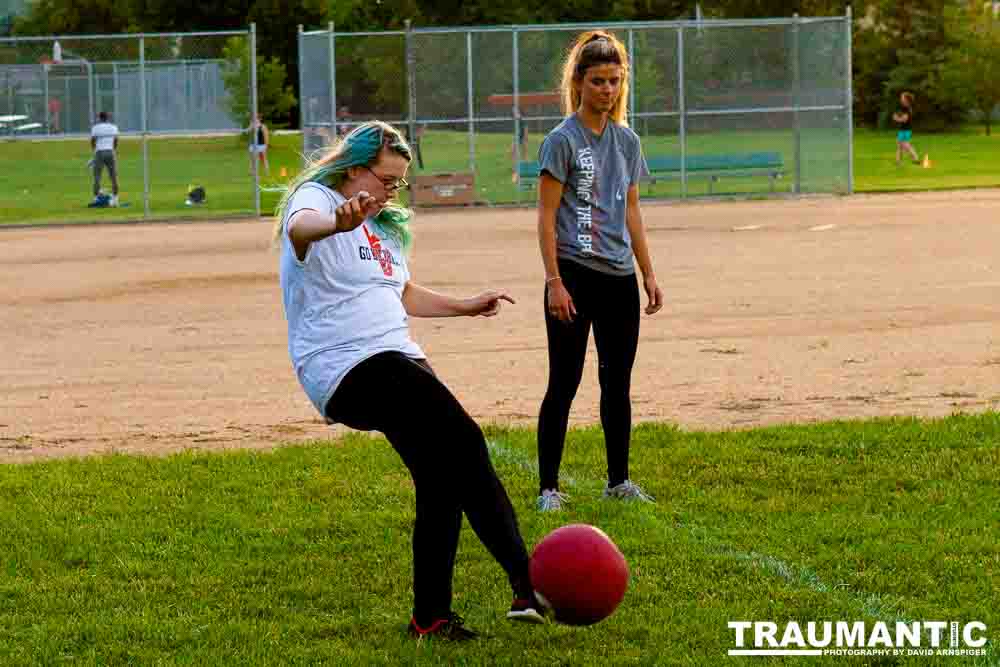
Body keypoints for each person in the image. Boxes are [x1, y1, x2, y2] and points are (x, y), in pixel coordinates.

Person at [273, 120, 548, 640]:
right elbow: (301, 229)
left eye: (399, 183)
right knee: (465, 439)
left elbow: (400, 294)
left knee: (442, 478)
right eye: (385, 179)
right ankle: (525, 579)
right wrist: (337, 222)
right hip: (346, 363)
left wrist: (465, 306)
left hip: (398, 356)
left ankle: (431, 619)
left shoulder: (382, 227)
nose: (390, 191)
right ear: (354, 168)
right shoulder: (315, 199)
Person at [534, 31, 664, 512]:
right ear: (579, 82)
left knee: (617, 383)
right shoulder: (561, 141)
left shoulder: (627, 142)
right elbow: (546, 217)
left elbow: (632, 211)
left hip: (617, 279)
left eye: (614, 81)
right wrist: (554, 281)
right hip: (573, 275)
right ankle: (549, 487)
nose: (606, 89)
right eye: (598, 81)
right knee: (564, 383)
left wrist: (647, 272)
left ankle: (619, 480)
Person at [90, 111, 119, 207]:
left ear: (99, 118)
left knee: (97, 177)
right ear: (108, 118)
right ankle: (115, 199)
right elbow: (115, 141)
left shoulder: (95, 128)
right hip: (110, 152)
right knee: (113, 176)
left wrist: (95, 152)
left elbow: (93, 141)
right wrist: (113, 150)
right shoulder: (113, 127)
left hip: (99, 152)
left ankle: (96, 198)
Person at [893, 92, 921, 166]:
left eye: (902, 97)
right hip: (902, 129)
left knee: (906, 144)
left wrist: (897, 119)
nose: (901, 99)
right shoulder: (901, 107)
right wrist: (898, 118)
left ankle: (916, 158)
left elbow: (904, 119)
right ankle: (898, 162)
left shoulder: (907, 108)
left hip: (906, 130)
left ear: (906, 100)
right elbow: (895, 115)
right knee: (899, 145)